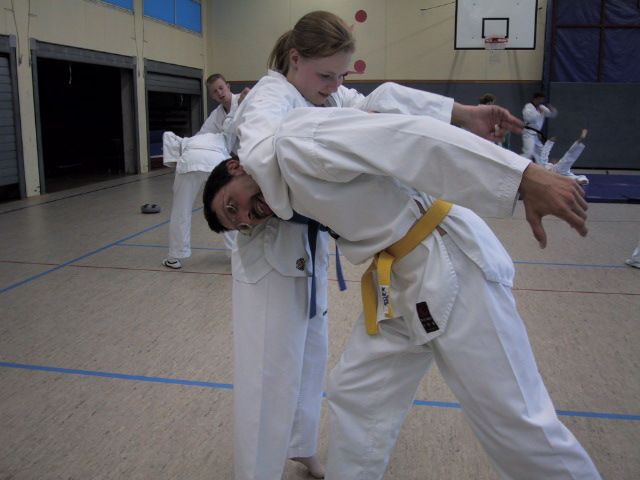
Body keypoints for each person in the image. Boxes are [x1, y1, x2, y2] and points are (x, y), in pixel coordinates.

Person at [202, 104, 599, 479]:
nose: (247, 216)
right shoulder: (282, 187)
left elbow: (409, 138)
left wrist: (523, 175)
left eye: (232, 205)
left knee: (514, 420)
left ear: (236, 165)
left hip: (450, 261)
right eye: (241, 225)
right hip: (396, 280)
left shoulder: (294, 143)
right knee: (358, 393)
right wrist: (458, 111)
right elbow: (381, 102)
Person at [217, 10, 525, 480]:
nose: (334, 86)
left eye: (342, 76)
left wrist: (461, 114)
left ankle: (301, 446)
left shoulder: (322, 92)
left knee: (309, 356)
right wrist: (312, 183)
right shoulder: (269, 97)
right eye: (326, 75)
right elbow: (261, 158)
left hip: (308, 246)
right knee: (268, 370)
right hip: (270, 246)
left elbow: (378, 104)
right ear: (295, 59)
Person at [162, 74, 248, 269]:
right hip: (214, 159)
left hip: (193, 160)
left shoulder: (245, 100)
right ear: (211, 96)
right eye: (215, 92)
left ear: (228, 86)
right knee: (227, 205)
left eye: (221, 88)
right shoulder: (216, 116)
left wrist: (246, 100)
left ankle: (175, 255)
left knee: (181, 209)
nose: (219, 93)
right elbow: (203, 137)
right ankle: (235, 254)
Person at [522, 91, 558, 163]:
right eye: (540, 99)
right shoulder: (528, 106)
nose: (541, 101)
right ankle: (516, 164)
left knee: (541, 153)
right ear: (536, 99)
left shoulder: (542, 107)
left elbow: (552, 115)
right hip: (528, 133)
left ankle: (541, 167)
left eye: (542, 100)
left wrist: (552, 109)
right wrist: (538, 112)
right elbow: (529, 119)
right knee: (529, 153)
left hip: (536, 134)